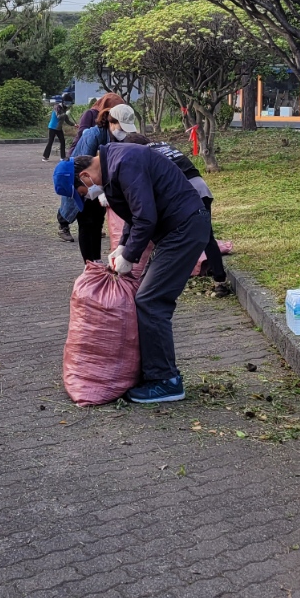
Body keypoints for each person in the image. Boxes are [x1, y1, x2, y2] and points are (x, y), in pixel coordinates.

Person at [69, 142, 210, 403]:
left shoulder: (125, 163)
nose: (88, 196)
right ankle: (156, 372)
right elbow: (135, 217)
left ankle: (166, 381)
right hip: (176, 231)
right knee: (148, 299)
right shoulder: (116, 167)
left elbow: (146, 218)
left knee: (151, 300)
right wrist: (123, 245)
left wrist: (129, 257)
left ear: (85, 176)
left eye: (82, 191)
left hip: (184, 230)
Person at [115, 117, 231, 297]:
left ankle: (152, 277)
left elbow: (138, 207)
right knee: (208, 237)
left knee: (164, 237)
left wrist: (124, 243)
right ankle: (220, 282)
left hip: (184, 193)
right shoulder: (163, 145)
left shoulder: (141, 157)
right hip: (201, 186)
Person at [69, 92, 125, 260]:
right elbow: (84, 161)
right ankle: (90, 264)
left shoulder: (117, 133)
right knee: (86, 222)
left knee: (97, 222)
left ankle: (96, 260)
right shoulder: (94, 133)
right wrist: (93, 187)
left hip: (101, 183)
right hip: (85, 181)